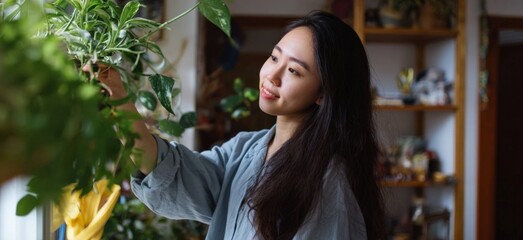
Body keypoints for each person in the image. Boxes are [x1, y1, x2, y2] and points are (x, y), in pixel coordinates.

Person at [99, 10, 385, 240]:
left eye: (294, 71)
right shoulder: (247, 148)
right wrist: (120, 99)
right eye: (274, 57)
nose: (272, 75)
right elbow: (174, 175)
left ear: (323, 93)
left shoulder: (327, 184)